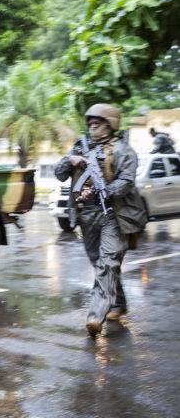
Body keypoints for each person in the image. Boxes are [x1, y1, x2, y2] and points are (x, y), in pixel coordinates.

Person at [55, 104, 147, 336]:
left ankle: (96, 315)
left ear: (111, 123)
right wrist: (71, 160)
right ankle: (119, 304)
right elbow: (59, 174)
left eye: (98, 121)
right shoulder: (80, 147)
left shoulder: (124, 151)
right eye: (90, 121)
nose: (92, 124)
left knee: (107, 263)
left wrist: (101, 191)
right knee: (100, 263)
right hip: (86, 215)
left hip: (114, 215)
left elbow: (125, 182)